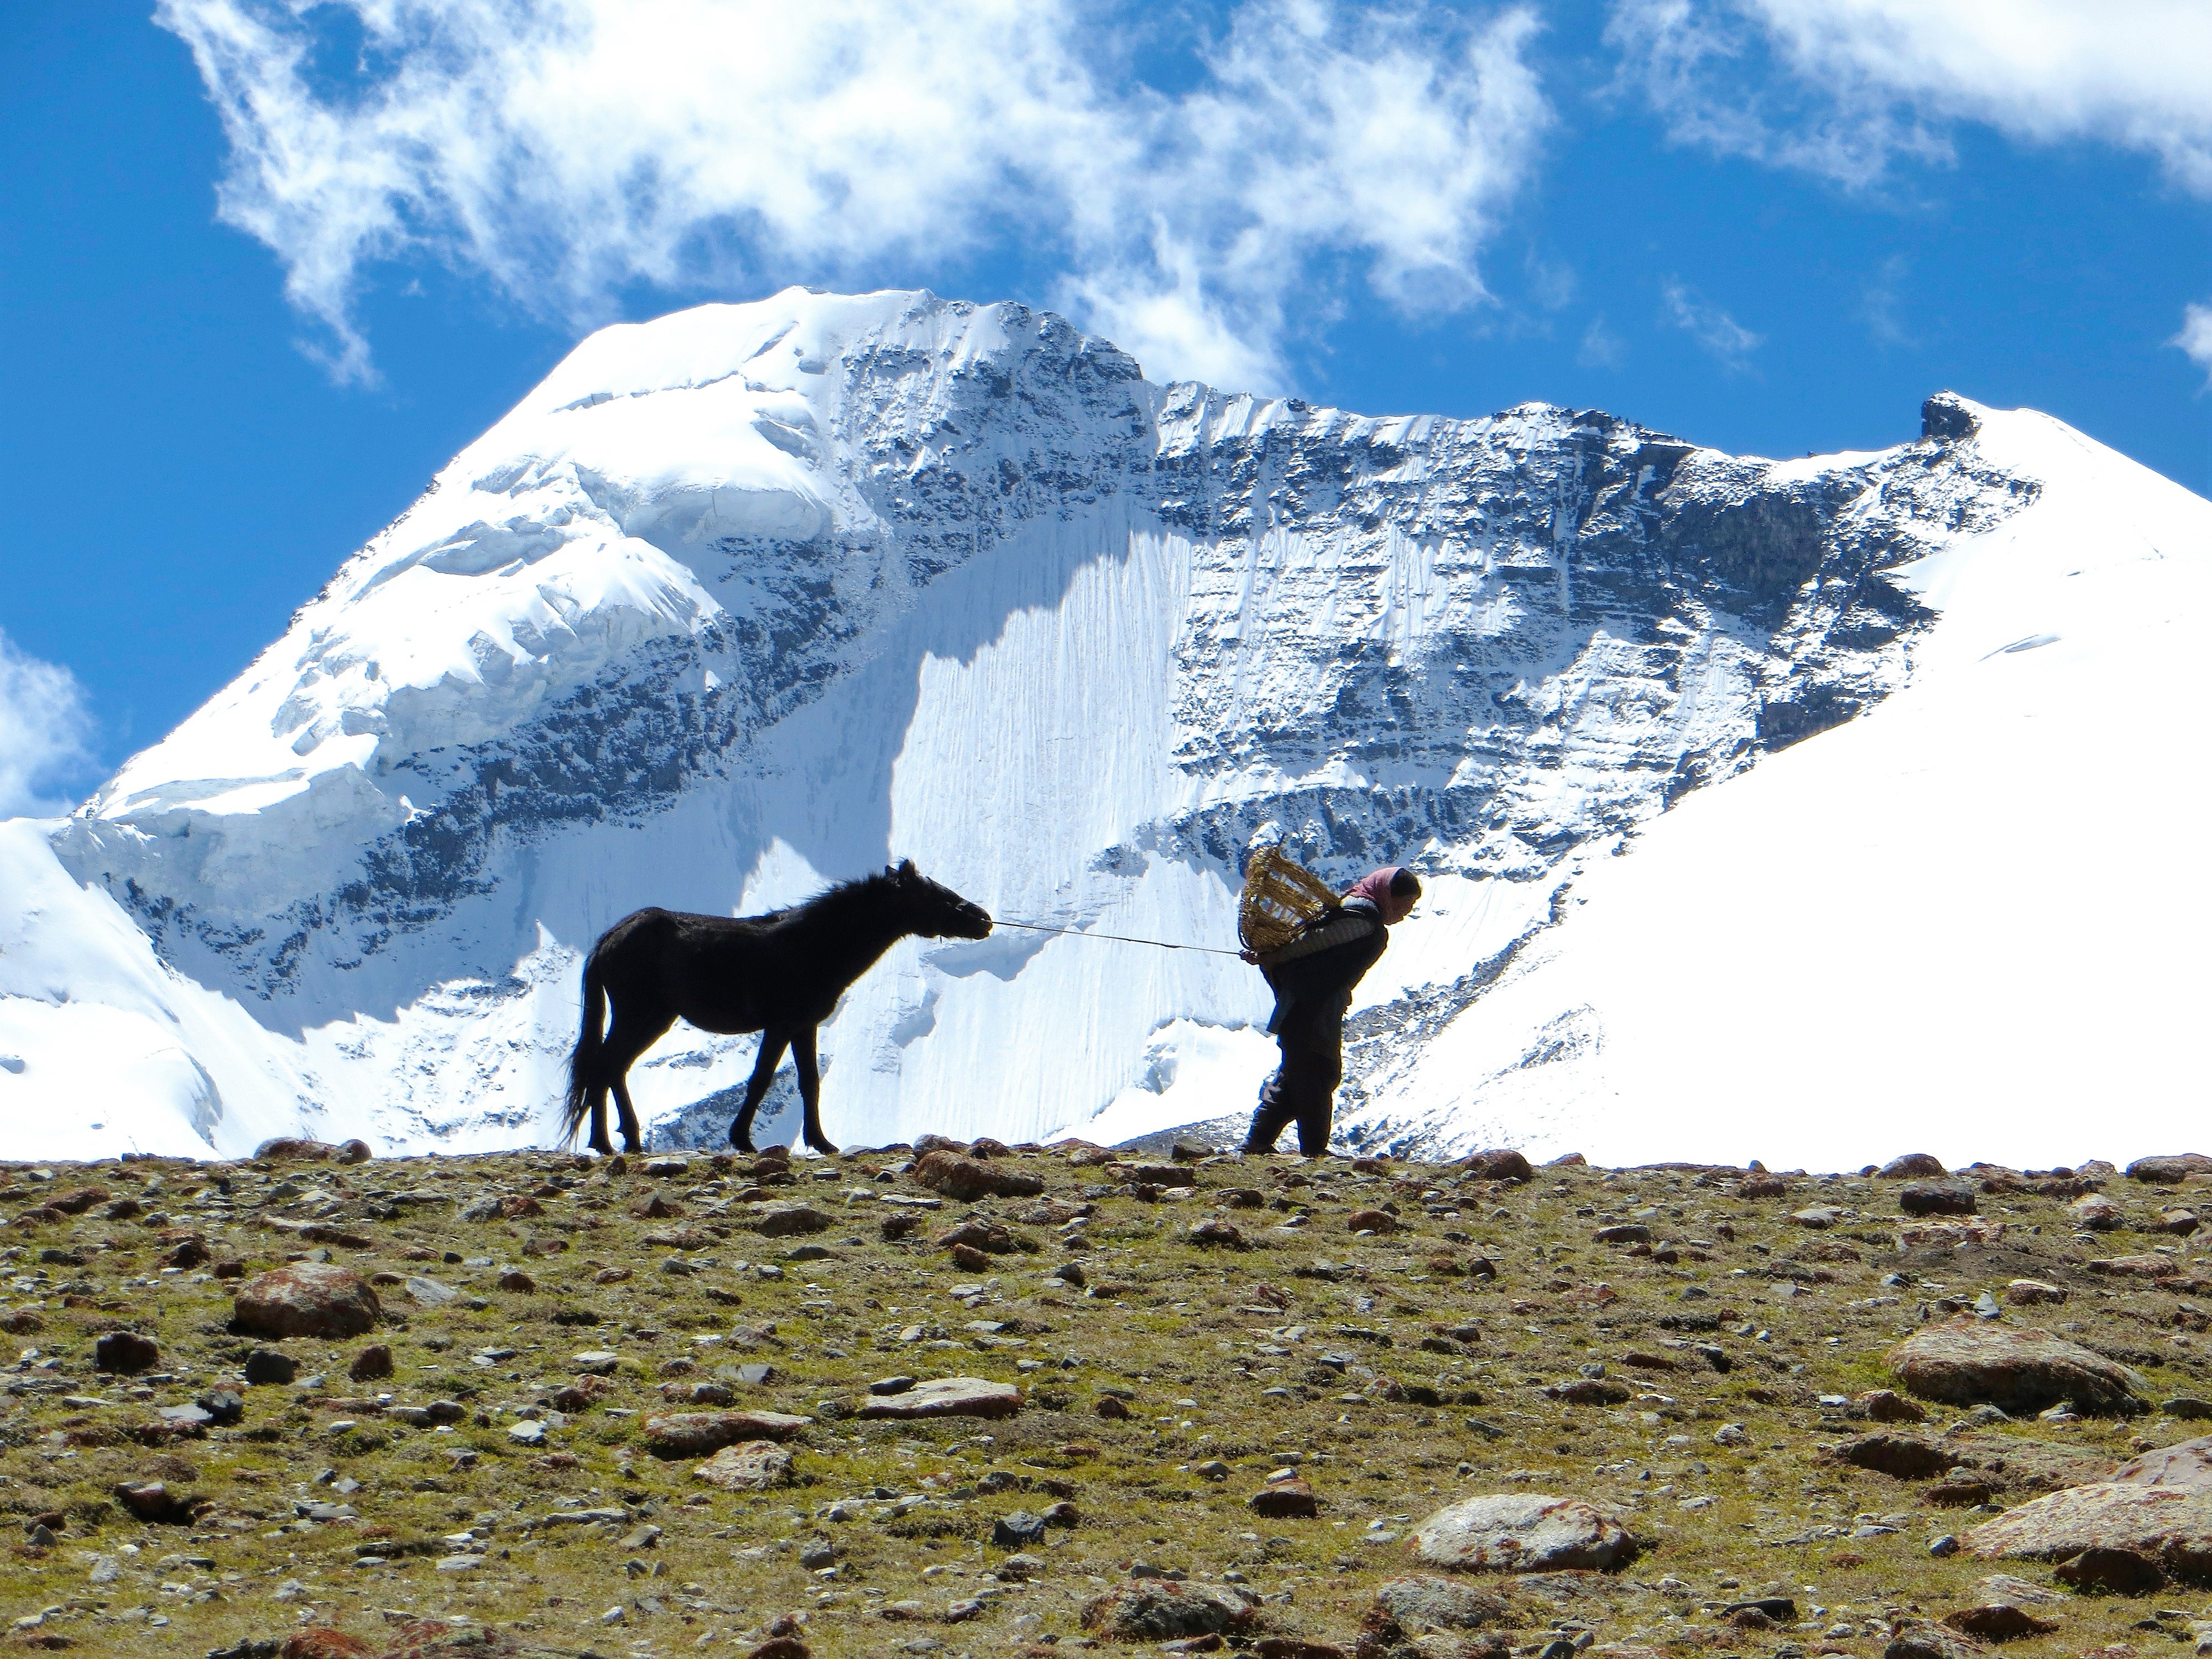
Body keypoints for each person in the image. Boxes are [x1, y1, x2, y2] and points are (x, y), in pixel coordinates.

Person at [1241, 865, 1421, 1156]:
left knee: (1298, 1074)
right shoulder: (1363, 921)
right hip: (1312, 1008)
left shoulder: (1353, 912)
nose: (1406, 911)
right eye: (1406, 903)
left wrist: (1270, 958)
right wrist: (1273, 956)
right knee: (1318, 1073)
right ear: (1389, 895)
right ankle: (1314, 1150)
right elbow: (1313, 942)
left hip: (1304, 1006)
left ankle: (1257, 1143)